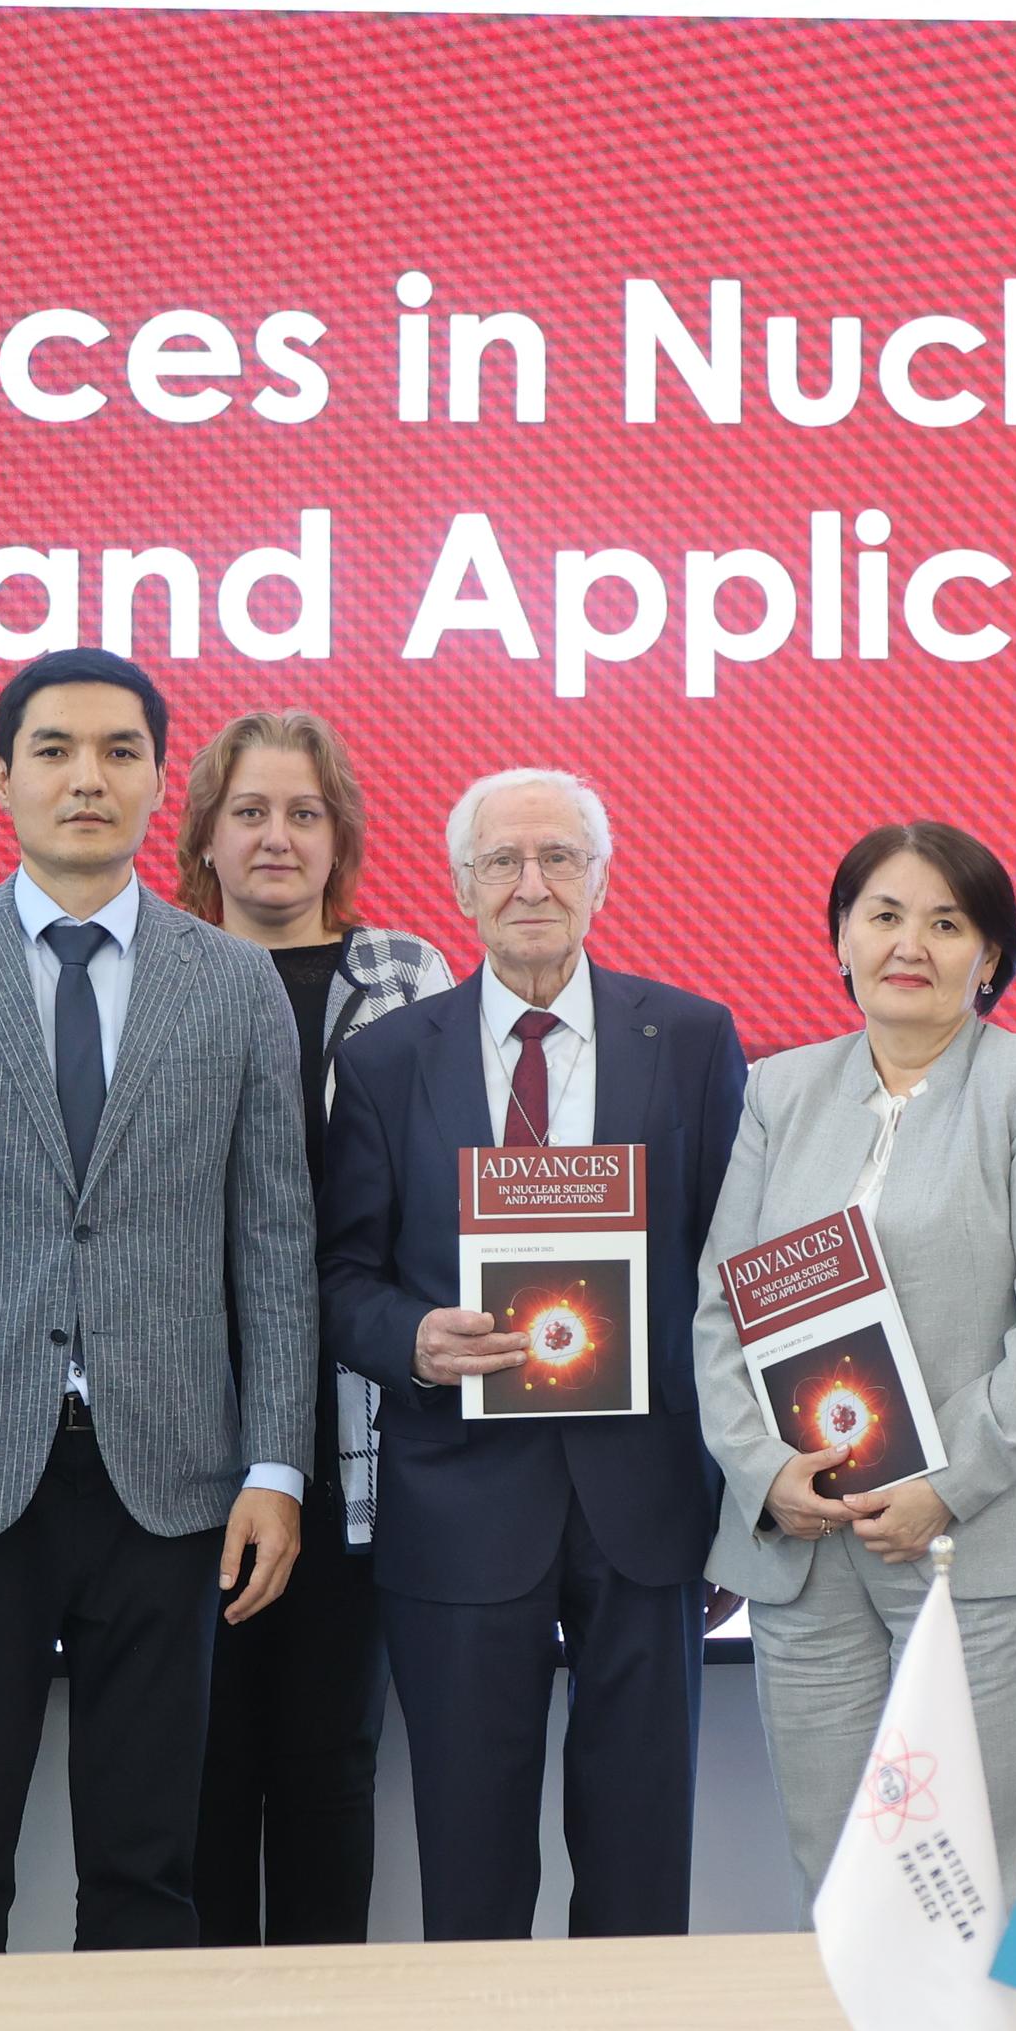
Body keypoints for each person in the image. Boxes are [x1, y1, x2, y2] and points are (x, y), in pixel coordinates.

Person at [0, 646, 321, 1955]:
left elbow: (272, 1244)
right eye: (53, 749)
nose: (86, 777)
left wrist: (276, 1467)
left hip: (172, 1481)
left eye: (118, 751)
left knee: (150, 1868)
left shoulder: (233, 982)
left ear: (157, 780)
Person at [318, 767, 744, 1937]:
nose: (531, 882)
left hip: (647, 1500)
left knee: (641, 1858)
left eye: (558, 856)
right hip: (457, 1504)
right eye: (501, 860)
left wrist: (740, 1494)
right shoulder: (388, 1060)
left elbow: (733, 1268)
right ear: (461, 888)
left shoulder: (692, 1040)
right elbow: (338, 1277)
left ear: (600, 878)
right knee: (469, 1866)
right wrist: (410, 1337)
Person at [699, 820, 1016, 1895]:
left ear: (989, 955)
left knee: (979, 1865)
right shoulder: (779, 1089)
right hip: (805, 1546)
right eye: (884, 915)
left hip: (978, 1536)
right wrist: (764, 1470)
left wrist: (945, 1483)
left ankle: (983, 2026)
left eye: (946, 923)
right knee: (841, 1873)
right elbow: (719, 1310)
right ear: (841, 936)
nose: (910, 944)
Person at [178, 707, 452, 1944]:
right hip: (183, 1440)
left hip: (353, 1440)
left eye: (304, 812)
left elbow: (436, 1203)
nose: (277, 836)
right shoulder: (154, 973)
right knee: (196, 1769)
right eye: (249, 811)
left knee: (329, 1766)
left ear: (340, 836)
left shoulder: (405, 977)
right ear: (205, 836)